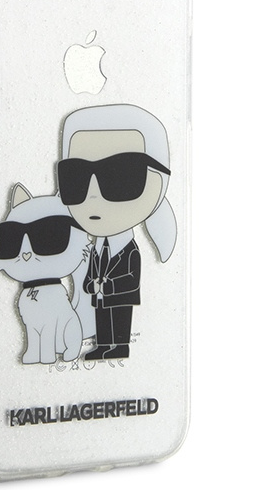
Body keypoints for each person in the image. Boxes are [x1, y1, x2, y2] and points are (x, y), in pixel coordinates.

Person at [57, 104, 177, 359]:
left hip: (120, 297)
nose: (93, 194)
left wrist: (108, 285)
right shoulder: (97, 248)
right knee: (103, 320)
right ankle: (103, 346)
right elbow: (90, 273)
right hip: (100, 296)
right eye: (75, 177)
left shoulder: (129, 249)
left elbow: (132, 277)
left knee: (119, 322)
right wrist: (91, 285)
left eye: (122, 176)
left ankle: (119, 346)